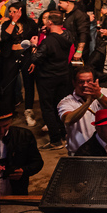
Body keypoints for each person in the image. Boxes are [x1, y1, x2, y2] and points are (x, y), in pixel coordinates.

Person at [30, 10, 73, 150]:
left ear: (50, 22)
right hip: (63, 75)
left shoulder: (47, 41)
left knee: (48, 108)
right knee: (60, 106)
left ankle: (55, 140)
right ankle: (64, 134)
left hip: (47, 78)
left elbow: (36, 58)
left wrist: (34, 45)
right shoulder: (68, 35)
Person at [58, 67, 107, 155]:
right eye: (81, 82)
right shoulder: (66, 102)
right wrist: (88, 102)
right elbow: (68, 119)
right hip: (80, 154)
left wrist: (99, 96)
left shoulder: (105, 92)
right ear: (74, 83)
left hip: (106, 151)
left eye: (89, 81)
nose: (85, 85)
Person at [0, 110, 44, 195]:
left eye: (5, 126)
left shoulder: (24, 135)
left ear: (11, 122)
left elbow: (37, 162)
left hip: (17, 191)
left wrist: (23, 171)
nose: (1, 131)